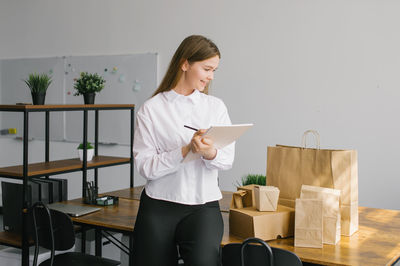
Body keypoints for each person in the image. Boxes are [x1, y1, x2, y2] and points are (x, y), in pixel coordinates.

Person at [132, 35, 235, 266]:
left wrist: (209, 153)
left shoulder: (215, 107)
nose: (211, 77)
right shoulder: (151, 109)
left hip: (203, 207)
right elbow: (145, 166)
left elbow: (227, 159)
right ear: (185, 64)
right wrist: (186, 150)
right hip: (159, 206)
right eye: (207, 69)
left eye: (214, 70)